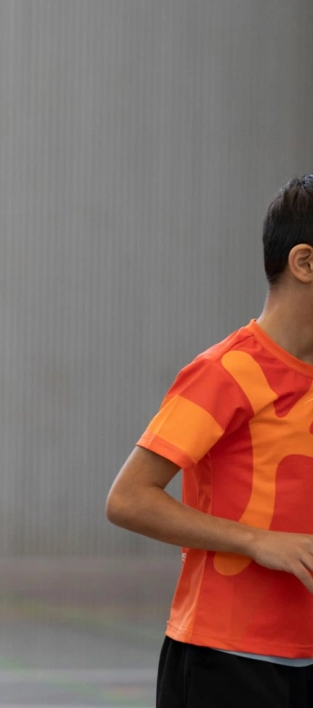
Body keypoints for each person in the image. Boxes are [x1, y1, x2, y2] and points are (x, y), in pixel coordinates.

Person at [107, 174, 313, 707]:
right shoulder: (226, 372)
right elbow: (128, 499)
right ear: (305, 263)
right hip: (226, 658)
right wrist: (257, 541)